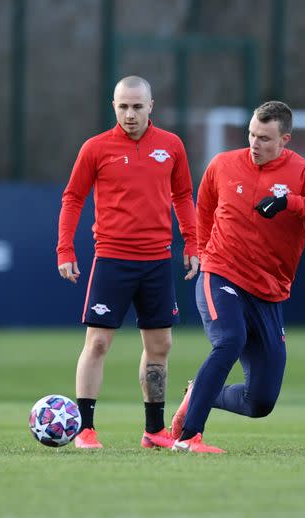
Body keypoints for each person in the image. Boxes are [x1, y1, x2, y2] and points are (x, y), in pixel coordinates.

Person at [170, 101, 305, 453]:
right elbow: (204, 209)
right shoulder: (222, 165)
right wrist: (204, 253)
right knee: (229, 340)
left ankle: (198, 394)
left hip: (268, 293)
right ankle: (188, 437)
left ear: (285, 139)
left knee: (260, 402)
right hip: (221, 273)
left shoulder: (302, 174)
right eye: (251, 134)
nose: (255, 143)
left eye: (265, 138)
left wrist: (291, 203)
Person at [57, 75, 198, 449]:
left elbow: (183, 195)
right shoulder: (96, 148)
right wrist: (65, 250)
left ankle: (154, 432)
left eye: (137, 106)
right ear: (113, 106)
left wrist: (192, 242)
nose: (130, 114)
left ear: (151, 106)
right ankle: (85, 430)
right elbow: (72, 198)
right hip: (112, 260)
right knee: (99, 342)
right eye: (123, 106)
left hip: (156, 261)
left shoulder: (171, 146)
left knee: (161, 346)